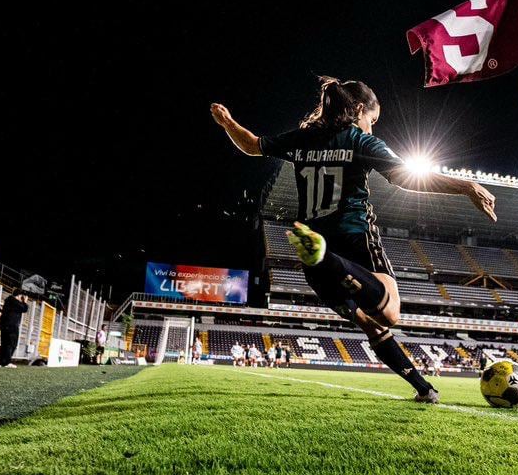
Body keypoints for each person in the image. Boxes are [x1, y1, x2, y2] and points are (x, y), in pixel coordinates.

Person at [210, 78, 496, 403]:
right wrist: (466, 186)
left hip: (313, 249)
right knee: (389, 314)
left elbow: (251, 144)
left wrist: (227, 122)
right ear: (359, 110)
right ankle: (328, 259)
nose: (372, 128)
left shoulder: (303, 138)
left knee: (370, 326)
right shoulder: (359, 140)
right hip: (355, 237)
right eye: (372, 121)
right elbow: (404, 177)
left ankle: (425, 389)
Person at [0, 292, 29, 368]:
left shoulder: (9, 300)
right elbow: (24, 309)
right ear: (19, 296)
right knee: (11, 344)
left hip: (5, 325)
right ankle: (6, 362)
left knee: (4, 344)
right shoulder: (14, 301)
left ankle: (0, 361)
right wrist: (25, 302)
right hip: (11, 325)